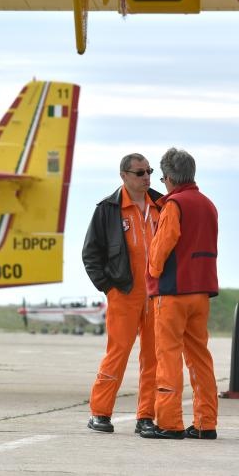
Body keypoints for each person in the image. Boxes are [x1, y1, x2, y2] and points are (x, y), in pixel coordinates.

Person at [141, 148, 219, 440]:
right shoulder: (208, 204)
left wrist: (152, 273)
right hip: (201, 292)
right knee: (200, 357)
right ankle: (205, 423)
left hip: (173, 293)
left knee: (168, 356)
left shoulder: (174, 205)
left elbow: (161, 248)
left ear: (170, 177)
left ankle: (170, 422)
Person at [82, 153, 163, 434]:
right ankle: (100, 413)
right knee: (118, 353)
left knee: (154, 356)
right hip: (124, 293)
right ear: (124, 175)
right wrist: (108, 286)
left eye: (149, 171)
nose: (147, 177)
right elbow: (91, 253)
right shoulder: (107, 208)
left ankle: (146, 417)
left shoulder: (162, 205)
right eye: (140, 173)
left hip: (156, 294)